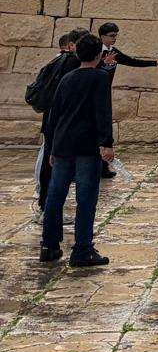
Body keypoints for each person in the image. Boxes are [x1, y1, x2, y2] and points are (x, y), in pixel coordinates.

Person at [39, 32, 114, 268]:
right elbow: (103, 111)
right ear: (98, 55)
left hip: (63, 143)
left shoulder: (67, 78)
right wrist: (107, 143)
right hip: (86, 145)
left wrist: (52, 147)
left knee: (55, 194)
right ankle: (82, 249)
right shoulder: (100, 77)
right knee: (85, 197)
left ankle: (49, 245)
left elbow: (54, 114)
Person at [96, 21, 158, 178]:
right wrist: (103, 63)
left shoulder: (113, 52)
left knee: (104, 127)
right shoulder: (95, 51)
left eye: (116, 35)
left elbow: (131, 61)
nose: (114, 38)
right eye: (111, 35)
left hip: (104, 93)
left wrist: (154, 63)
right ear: (102, 36)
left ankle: (103, 167)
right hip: (92, 93)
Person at [31, 30, 82, 212]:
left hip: (52, 120)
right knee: (54, 164)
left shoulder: (58, 60)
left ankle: (45, 205)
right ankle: (47, 208)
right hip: (60, 122)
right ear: (72, 45)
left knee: (49, 160)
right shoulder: (71, 63)